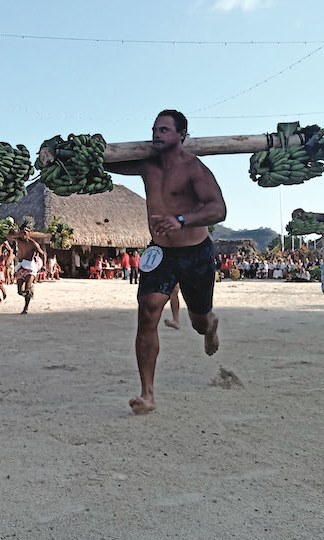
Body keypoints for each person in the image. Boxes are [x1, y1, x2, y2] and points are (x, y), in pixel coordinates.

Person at [104, 109, 225, 414]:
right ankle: (148, 394)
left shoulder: (195, 169)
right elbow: (108, 161)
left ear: (182, 134)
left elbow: (218, 209)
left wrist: (181, 219)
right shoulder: (147, 165)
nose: (157, 134)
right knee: (147, 312)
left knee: (198, 321)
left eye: (165, 130)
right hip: (160, 252)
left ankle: (210, 325)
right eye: (155, 129)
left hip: (196, 251)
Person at [8, 221, 45, 315]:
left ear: (29, 233)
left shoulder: (33, 244)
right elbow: (8, 236)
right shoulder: (18, 241)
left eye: (25, 232)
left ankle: (26, 307)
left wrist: (44, 265)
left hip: (30, 267)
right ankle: (31, 289)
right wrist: (15, 233)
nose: (23, 234)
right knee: (20, 291)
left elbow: (42, 254)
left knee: (27, 288)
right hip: (20, 266)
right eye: (22, 232)